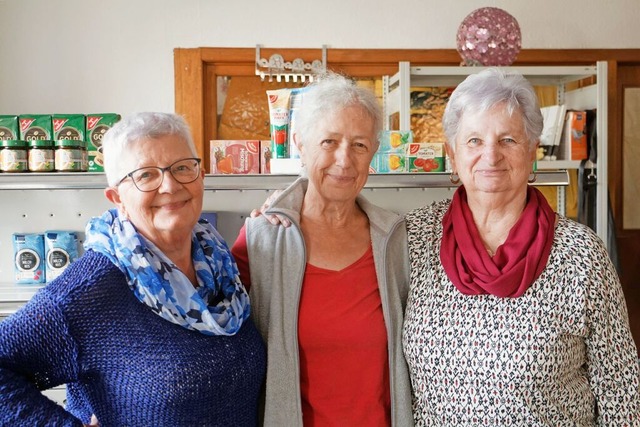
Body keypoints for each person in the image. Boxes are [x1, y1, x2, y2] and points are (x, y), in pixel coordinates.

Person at [402, 68, 640, 425]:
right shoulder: (414, 238)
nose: (491, 156)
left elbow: (619, 385)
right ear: (453, 155)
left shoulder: (581, 253)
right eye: (474, 141)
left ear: (532, 152)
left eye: (508, 140)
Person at [0, 112, 266, 426]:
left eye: (182, 167)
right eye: (146, 175)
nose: (170, 185)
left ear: (201, 176)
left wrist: (277, 216)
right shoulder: (91, 288)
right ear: (117, 198)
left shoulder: (220, 266)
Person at [231, 73, 413, 426]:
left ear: (373, 152)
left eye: (359, 145)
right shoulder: (262, 240)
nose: (345, 160)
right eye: (329, 141)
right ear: (300, 143)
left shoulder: (394, 240)